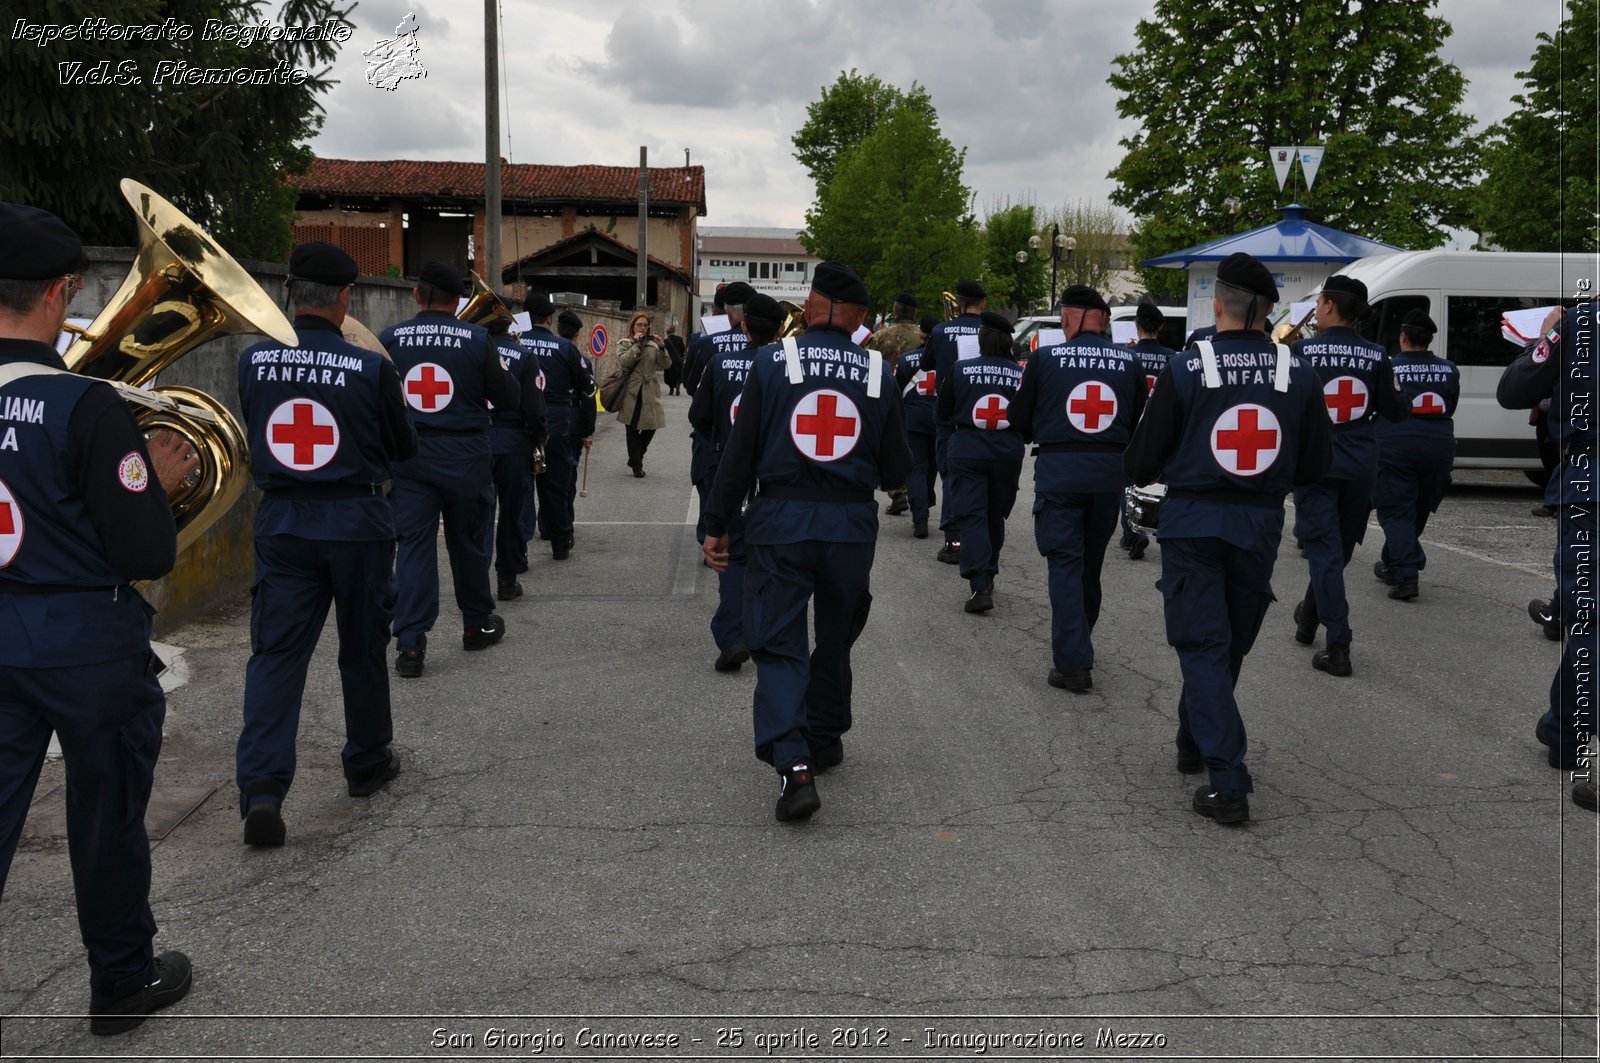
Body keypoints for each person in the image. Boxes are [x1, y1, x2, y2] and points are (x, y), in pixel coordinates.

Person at [0, 203, 198, 1032]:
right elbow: (148, 548)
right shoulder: (86, 407)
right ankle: (120, 981)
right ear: (60, 293)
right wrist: (156, 477)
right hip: (87, 642)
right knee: (108, 813)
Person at [1125, 252, 1331, 826]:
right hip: (1258, 524)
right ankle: (1196, 742)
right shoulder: (1299, 371)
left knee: (1203, 645)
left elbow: (1141, 461)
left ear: (1219, 304)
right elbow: (1316, 464)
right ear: (1267, 311)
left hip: (1193, 522)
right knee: (1226, 643)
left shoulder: (1188, 369)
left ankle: (1228, 779)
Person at [701, 262, 911, 822]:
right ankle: (825, 737)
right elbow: (897, 470)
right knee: (836, 636)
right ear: (859, 317)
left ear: (813, 304)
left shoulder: (773, 362)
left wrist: (716, 524)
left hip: (780, 522)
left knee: (779, 643)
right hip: (848, 529)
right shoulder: (877, 372)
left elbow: (738, 456)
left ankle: (794, 767)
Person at [235, 241, 417, 846]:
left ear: (289, 291)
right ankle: (366, 763)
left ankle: (262, 789)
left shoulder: (252, 361)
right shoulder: (371, 367)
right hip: (358, 522)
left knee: (276, 655)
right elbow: (403, 448)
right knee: (362, 649)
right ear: (345, 298)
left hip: (284, 520)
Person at [380, 261, 518, 678]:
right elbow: (508, 398)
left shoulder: (389, 338)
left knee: (414, 547)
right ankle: (477, 624)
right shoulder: (478, 338)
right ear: (459, 302)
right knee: (469, 543)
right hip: (466, 454)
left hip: (411, 456)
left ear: (417, 296)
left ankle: (410, 645)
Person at [1012, 284, 1144, 690]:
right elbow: (1140, 418)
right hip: (1108, 473)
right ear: (1103, 319)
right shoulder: (1130, 362)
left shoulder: (1044, 358)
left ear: (1069, 316)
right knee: (1090, 563)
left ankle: (1072, 661)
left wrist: (1049, 431)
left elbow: (1019, 419)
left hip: (1059, 471)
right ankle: (1079, 641)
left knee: (1065, 563)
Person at [1497, 299, 1596, 805]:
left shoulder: (1580, 324)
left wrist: (1550, 336)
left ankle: (1569, 733)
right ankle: (1561, 726)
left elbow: (1513, 391)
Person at [1289, 275, 1409, 677]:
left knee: (1324, 553)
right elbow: (1398, 409)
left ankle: (1338, 643)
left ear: (1326, 305)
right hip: (1360, 465)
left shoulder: (1302, 351)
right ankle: (1308, 619)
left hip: (1317, 464)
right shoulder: (1377, 355)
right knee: (1334, 553)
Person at [688, 292, 784, 672]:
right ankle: (766, 630)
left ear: (742, 325)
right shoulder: (783, 367)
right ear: (779, 329)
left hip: (724, 466)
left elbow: (699, 417)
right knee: (773, 553)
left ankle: (732, 635)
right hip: (771, 472)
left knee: (731, 552)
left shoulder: (719, 362)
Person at [938, 310, 1024, 614]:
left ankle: (981, 582)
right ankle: (989, 568)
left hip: (968, 448)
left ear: (982, 338)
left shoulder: (960, 369)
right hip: (1007, 451)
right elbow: (1029, 417)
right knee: (994, 515)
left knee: (972, 516)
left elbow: (944, 410)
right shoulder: (1021, 373)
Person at [1371, 310, 1458, 601]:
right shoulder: (1449, 369)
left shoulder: (1389, 366)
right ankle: (1393, 561)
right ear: (1429, 339)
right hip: (1439, 445)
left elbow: (1379, 404)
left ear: (1403, 337)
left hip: (1396, 443)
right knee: (1418, 508)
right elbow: (1451, 404)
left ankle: (1407, 574)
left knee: (1395, 510)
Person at [525, 295, 595, 561]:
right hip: (554, 423)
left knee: (523, 485)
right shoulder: (564, 349)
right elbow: (585, 389)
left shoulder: (515, 344)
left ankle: (519, 546)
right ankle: (561, 541)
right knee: (554, 485)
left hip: (522, 424)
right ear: (549, 319)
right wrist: (588, 427)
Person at [684, 283, 754, 536]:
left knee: (710, 490)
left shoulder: (705, 343)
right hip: (754, 437)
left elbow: (690, 386)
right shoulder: (770, 351)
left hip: (713, 435)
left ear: (725, 310)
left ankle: (711, 537)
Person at [486, 305, 547, 599]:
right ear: (509, 328)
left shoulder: (472, 351)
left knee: (478, 516)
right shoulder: (524, 355)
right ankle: (507, 580)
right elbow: (534, 408)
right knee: (511, 514)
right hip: (512, 443)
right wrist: (538, 439)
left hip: (478, 441)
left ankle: (474, 583)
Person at [924, 280, 986, 563]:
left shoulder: (939, 330)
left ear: (958, 303)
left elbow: (926, 364)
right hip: (979, 410)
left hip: (947, 411)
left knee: (949, 474)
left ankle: (954, 538)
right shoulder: (989, 330)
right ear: (982, 304)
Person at [1118, 297, 1175, 560]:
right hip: (1164, 425)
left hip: (1134, 425)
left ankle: (1134, 533)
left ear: (1136, 325)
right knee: (1164, 481)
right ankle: (1165, 526)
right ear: (1160, 327)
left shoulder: (1127, 357)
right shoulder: (1174, 359)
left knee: (1129, 480)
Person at [868, 292, 922, 518]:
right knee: (918, 446)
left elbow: (868, 365)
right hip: (919, 397)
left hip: (887, 395)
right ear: (915, 312)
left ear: (895, 310)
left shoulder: (881, 336)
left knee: (890, 442)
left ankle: (897, 490)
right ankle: (919, 490)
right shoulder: (924, 336)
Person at [893, 313, 940, 539]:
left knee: (917, 468)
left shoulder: (906, 359)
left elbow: (896, 389)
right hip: (939, 418)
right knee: (932, 467)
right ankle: (925, 502)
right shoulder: (948, 358)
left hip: (913, 420)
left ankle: (920, 516)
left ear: (921, 333)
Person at [614, 309, 672, 477]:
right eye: (639, 325)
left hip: (649, 389)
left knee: (652, 425)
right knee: (631, 428)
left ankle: (636, 456)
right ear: (633, 326)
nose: (642, 328)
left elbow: (666, 365)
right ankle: (637, 466)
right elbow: (624, 362)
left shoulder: (653, 344)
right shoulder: (624, 343)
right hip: (632, 389)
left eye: (645, 325)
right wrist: (637, 346)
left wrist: (662, 347)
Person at [664, 323, 686, 396]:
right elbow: (683, 349)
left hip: (669, 360)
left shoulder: (666, 341)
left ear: (667, 332)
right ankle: (677, 385)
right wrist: (681, 356)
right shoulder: (679, 339)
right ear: (674, 331)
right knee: (678, 374)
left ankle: (671, 389)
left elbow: (663, 351)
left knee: (669, 375)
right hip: (678, 360)